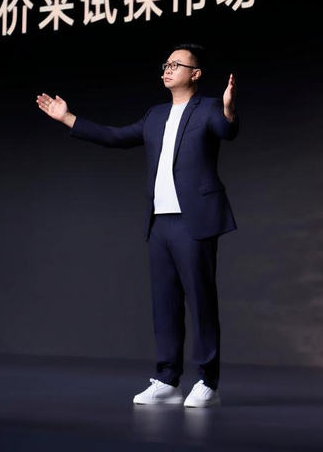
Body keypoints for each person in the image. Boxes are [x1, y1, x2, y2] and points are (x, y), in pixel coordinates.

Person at [35, 43, 239, 408]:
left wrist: (227, 110)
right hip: (159, 222)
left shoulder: (208, 107)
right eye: (166, 64)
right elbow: (115, 137)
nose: (167, 68)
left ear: (195, 74)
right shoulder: (155, 114)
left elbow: (226, 131)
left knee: (201, 302)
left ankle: (208, 382)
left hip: (194, 220)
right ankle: (167, 379)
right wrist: (68, 118)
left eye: (177, 64)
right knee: (165, 304)